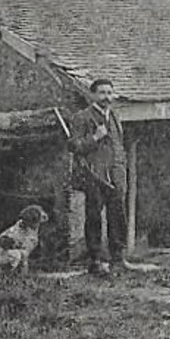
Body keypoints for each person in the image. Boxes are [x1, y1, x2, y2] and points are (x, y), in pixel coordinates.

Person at [67, 78, 127, 276]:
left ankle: (118, 258)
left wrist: (121, 169)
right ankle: (97, 260)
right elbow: (74, 146)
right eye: (102, 93)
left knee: (117, 216)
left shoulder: (115, 117)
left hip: (115, 175)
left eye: (109, 93)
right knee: (94, 217)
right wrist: (95, 138)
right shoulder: (82, 117)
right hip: (94, 175)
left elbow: (119, 146)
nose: (106, 97)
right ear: (92, 95)